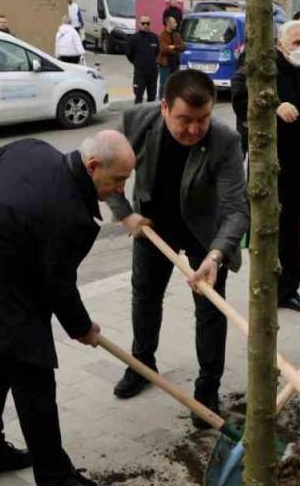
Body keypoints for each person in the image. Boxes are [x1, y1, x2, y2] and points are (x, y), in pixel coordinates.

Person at [0, 131, 135, 486]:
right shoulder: (73, 216)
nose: (121, 189)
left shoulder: (32, 149)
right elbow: (57, 285)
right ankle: (55, 477)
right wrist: (82, 329)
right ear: (93, 167)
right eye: (119, 179)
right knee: (35, 379)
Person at [105, 70, 248, 428]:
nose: (194, 129)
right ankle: (142, 364)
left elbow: (236, 209)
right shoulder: (138, 120)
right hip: (153, 225)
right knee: (146, 296)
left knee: (211, 310)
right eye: (184, 119)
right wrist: (124, 214)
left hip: (205, 233)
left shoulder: (226, 140)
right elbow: (103, 169)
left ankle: (207, 387)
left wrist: (217, 255)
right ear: (165, 108)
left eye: (203, 119)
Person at [231, 20, 300, 312]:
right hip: (272, 163)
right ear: (280, 44)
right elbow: (239, 93)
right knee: (267, 226)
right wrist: (273, 104)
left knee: (298, 229)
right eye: (296, 44)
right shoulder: (265, 67)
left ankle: (288, 288)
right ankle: (265, 283)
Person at [125, 15, 160, 103]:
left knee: (152, 97)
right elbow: (129, 54)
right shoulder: (133, 38)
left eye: (147, 23)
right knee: (138, 96)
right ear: (139, 24)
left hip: (152, 72)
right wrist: (137, 62)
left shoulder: (155, 38)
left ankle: (151, 116)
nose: (145, 25)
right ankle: (138, 116)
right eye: (143, 23)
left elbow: (157, 52)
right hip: (140, 73)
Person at [157, 15, 186, 99]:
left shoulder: (176, 35)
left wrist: (174, 47)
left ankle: (172, 104)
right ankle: (161, 104)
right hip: (165, 65)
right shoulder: (162, 36)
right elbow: (164, 49)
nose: (176, 24)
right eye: (174, 23)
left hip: (175, 65)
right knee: (164, 86)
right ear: (168, 24)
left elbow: (184, 47)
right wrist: (177, 50)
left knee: (175, 86)